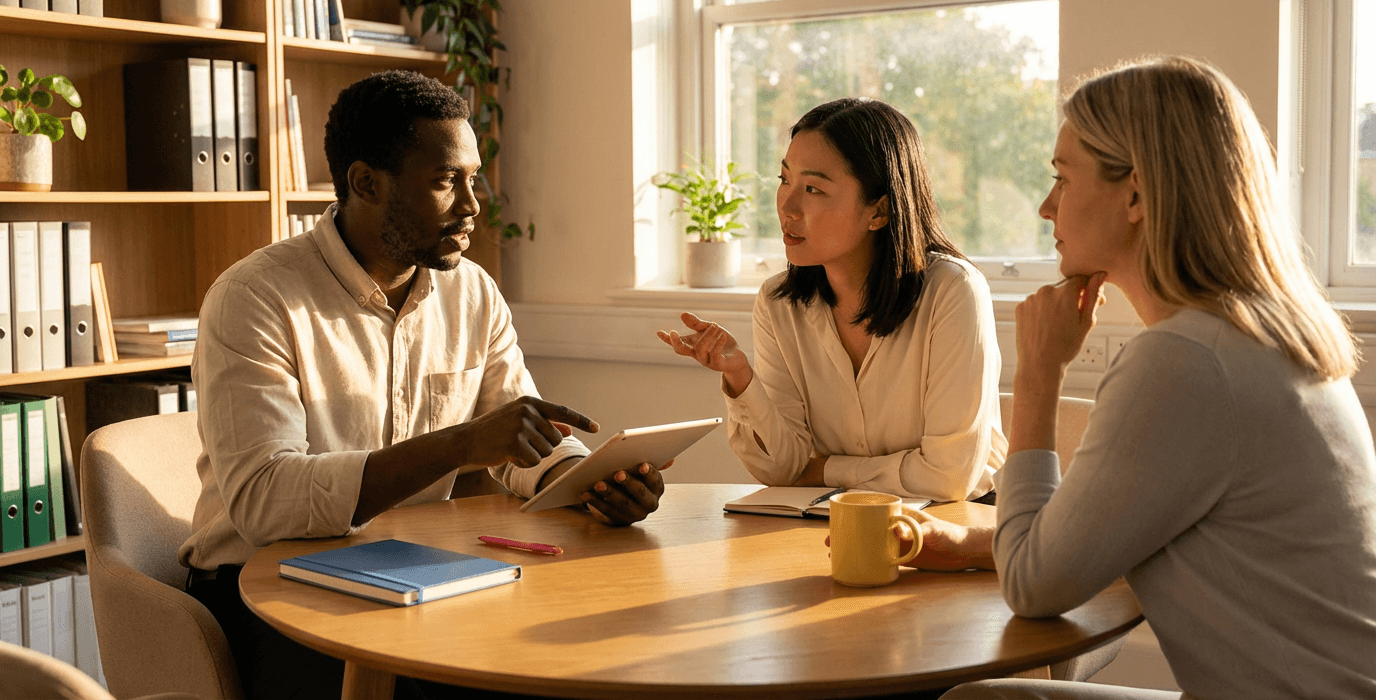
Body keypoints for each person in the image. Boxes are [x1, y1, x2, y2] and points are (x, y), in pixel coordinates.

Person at [179, 70, 667, 700]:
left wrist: (587, 480)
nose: (472, 205)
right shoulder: (254, 298)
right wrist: (459, 445)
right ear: (365, 182)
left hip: (413, 577)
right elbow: (266, 503)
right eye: (445, 181)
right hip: (266, 590)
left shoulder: (472, 291)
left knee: (586, 658)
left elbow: (515, 434)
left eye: (473, 178)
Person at [925, 57, 1376, 699]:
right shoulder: (1263, 335)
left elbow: (1032, 586)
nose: (1046, 206)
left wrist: (1039, 375)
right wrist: (971, 543)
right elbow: (1097, 531)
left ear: (1135, 195)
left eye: (1062, 179)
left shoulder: (1186, 363)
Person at [659, 98, 1007, 502]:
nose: (787, 206)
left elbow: (949, 478)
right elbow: (783, 469)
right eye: (784, 180)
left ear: (879, 211)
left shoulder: (953, 291)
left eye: (813, 189)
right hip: (831, 521)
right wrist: (741, 377)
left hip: (958, 523)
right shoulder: (777, 303)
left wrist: (825, 469)